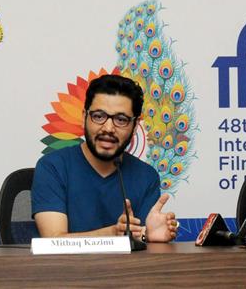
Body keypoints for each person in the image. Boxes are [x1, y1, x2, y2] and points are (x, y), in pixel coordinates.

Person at [32, 74, 178, 242]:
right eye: (99, 116)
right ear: (84, 117)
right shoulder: (53, 167)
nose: (108, 128)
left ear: (135, 126)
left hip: (126, 269)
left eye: (121, 119)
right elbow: (53, 240)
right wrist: (114, 234)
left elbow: (140, 241)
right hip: (66, 268)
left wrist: (149, 237)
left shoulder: (146, 176)